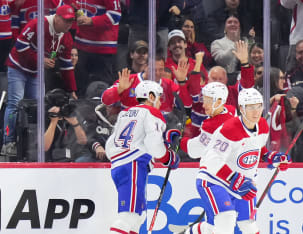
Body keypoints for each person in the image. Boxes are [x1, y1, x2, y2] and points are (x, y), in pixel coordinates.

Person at [195, 88, 290, 233]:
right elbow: (211, 161)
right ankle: (197, 230)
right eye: (250, 107)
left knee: (248, 225)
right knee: (226, 220)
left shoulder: (263, 125)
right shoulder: (229, 130)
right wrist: (234, 178)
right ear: (241, 108)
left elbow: (258, 150)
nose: (256, 111)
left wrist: (272, 158)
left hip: (242, 182)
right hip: (214, 180)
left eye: (259, 106)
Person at [1, 5, 77, 157]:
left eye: (71, 21)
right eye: (66, 21)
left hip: (36, 72)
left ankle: (32, 142)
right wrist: (41, 60)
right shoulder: (37, 24)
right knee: (15, 103)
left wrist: (72, 89)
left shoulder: (66, 37)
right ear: (57, 18)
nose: (69, 25)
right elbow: (20, 46)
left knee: (38, 106)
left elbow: (66, 65)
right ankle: (7, 142)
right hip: (18, 67)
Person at [105, 80, 180, 234]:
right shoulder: (152, 112)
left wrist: (163, 140)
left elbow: (110, 144)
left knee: (139, 217)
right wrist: (167, 157)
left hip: (120, 166)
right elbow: (153, 143)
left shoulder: (124, 113)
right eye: (158, 97)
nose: (160, 102)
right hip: (132, 165)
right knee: (129, 216)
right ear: (151, 96)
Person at [178, 82, 236, 233]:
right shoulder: (231, 111)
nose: (204, 105)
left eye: (208, 101)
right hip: (214, 179)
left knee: (214, 225)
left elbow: (195, 150)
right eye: (204, 100)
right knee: (222, 223)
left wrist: (178, 141)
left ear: (219, 101)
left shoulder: (211, 124)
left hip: (223, 177)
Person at [74, 0, 121, 96]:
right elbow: (74, 5)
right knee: (79, 87)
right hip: (81, 45)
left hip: (103, 48)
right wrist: (78, 14)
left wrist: (91, 20)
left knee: (100, 88)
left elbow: (115, 16)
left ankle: (100, 109)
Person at [44, 89, 89, 162]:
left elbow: (83, 142)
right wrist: (53, 122)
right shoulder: (45, 117)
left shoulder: (72, 113)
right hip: (52, 160)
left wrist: (75, 124)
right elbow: (44, 147)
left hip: (74, 158)